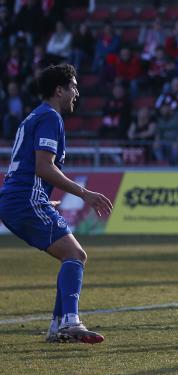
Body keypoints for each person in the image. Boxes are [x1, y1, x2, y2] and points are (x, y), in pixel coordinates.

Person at [0, 64, 114, 343]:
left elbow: (28, 167)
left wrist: (39, 196)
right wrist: (84, 193)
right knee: (76, 255)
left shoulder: (33, 117)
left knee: (70, 256)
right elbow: (44, 167)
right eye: (73, 86)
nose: (77, 92)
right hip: (25, 199)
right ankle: (70, 322)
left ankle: (57, 326)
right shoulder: (51, 117)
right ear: (59, 90)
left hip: (19, 198)